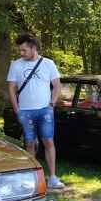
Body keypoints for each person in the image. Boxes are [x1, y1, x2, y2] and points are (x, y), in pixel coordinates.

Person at [7, 33, 64, 189]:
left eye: (24, 50)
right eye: (20, 50)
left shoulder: (48, 64)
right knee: (30, 143)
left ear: (33, 48)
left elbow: (57, 86)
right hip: (25, 111)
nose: (21, 53)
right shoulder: (16, 65)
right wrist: (17, 109)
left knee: (48, 141)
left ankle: (52, 178)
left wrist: (51, 104)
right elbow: (11, 88)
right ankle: (30, 178)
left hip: (45, 110)